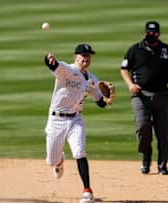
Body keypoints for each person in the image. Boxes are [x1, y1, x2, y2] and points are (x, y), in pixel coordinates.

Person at [44, 43, 115, 203]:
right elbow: (53, 65)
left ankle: (87, 192)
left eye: (89, 56)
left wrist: (107, 100)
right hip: (56, 120)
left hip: (76, 120)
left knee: (80, 153)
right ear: (76, 57)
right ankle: (59, 161)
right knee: (51, 161)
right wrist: (49, 60)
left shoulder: (92, 80)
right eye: (83, 55)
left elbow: (99, 101)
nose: (86, 58)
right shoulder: (67, 70)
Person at [120, 21, 168, 175]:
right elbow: (124, 69)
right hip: (140, 95)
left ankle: (163, 165)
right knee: (142, 128)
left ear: (159, 34)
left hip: (161, 95)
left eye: (154, 33)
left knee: (163, 132)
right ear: (145, 33)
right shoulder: (135, 50)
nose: (151, 35)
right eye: (149, 33)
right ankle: (145, 159)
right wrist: (130, 85)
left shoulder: (167, 50)